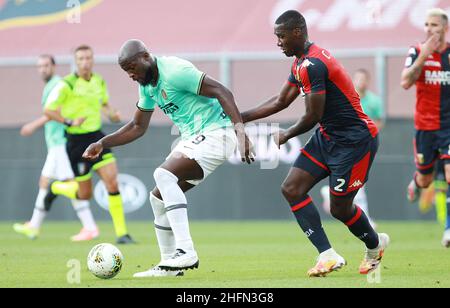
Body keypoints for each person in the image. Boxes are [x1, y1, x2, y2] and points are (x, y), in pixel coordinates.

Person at [82, 39, 254, 277]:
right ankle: (168, 265)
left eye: (132, 67)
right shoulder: (146, 85)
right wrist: (102, 142)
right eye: (125, 71)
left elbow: (222, 91)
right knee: (158, 198)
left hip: (217, 133)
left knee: (163, 175)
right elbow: (137, 127)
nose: (130, 74)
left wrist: (241, 132)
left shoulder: (175, 71)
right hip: (195, 138)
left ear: (145, 56)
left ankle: (186, 251)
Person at [241, 10, 389, 277]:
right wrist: (242, 116)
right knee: (291, 188)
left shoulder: (314, 64)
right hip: (328, 137)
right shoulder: (300, 63)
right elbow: (280, 101)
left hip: (355, 143)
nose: (278, 42)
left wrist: (286, 134)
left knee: (340, 209)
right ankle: (327, 255)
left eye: (281, 36)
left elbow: (313, 115)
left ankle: (375, 245)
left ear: (297, 32)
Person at [43, 45, 135, 244]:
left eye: (88, 58)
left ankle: (122, 234)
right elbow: (49, 111)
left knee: (112, 181)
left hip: (97, 138)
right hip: (76, 142)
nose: (85, 62)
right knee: (85, 195)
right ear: (75, 62)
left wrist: (112, 113)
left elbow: (104, 104)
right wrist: (68, 121)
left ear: (92, 60)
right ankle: (57, 187)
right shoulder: (66, 84)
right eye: (81, 59)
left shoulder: (98, 81)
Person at [13, 55, 98, 241]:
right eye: (39, 66)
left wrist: (33, 125)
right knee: (45, 182)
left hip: (61, 142)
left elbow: (55, 112)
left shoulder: (58, 83)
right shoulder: (49, 85)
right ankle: (34, 225)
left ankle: (90, 227)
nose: (42, 69)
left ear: (53, 66)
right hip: (54, 143)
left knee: (69, 183)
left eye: (46, 65)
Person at [401, 8, 450, 247]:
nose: (430, 29)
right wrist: (424, 55)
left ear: (445, 29)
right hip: (425, 127)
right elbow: (405, 82)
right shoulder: (416, 51)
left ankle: (449, 229)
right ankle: (416, 182)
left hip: (448, 126)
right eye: (427, 25)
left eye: (435, 25)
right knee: (425, 179)